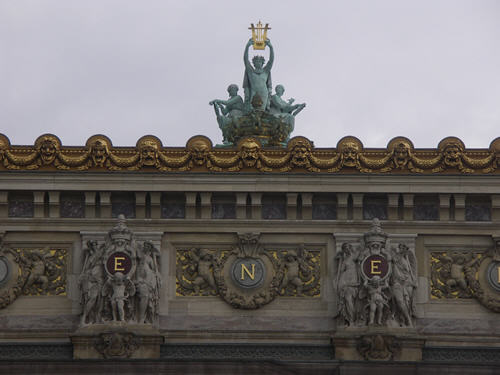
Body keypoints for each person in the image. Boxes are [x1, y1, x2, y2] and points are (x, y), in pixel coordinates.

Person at [243, 38, 274, 111]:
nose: (258, 63)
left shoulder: (265, 71)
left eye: (260, 62)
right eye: (256, 62)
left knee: (262, 111)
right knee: (252, 111)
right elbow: (245, 60)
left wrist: (271, 47)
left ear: (262, 63)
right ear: (253, 63)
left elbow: (271, 60)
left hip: (264, 92)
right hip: (253, 92)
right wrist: (247, 47)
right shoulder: (251, 71)